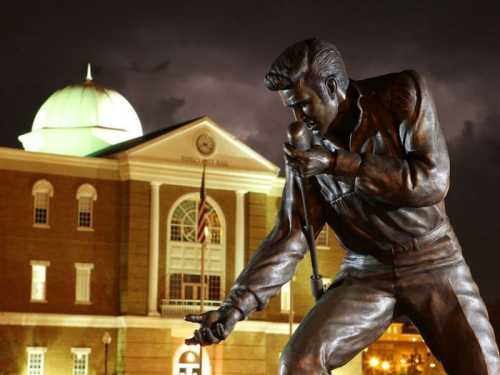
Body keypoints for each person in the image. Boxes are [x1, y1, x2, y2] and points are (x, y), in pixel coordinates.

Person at [185, 38, 500, 375]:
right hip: (366, 273)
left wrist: (340, 163)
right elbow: (291, 234)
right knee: (298, 364)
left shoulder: (401, 94)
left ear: (333, 87)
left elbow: (431, 182)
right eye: (291, 107)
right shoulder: (303, 145)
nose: (297, 116)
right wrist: (235, 307)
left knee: (482, 369)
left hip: (433, 261)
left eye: (303, 105)